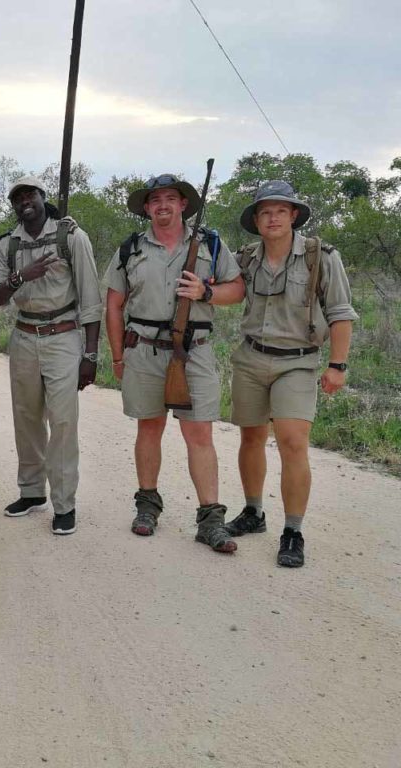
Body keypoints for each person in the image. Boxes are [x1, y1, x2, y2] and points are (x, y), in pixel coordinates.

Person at [103, 173, 245, 553]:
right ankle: (147, 506)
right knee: (149, 429)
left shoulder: (211, 244)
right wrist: (118, 356)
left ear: (183, 205)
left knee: (199, 435)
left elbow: (237, 289)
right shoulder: (130, 248)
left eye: (170, 198)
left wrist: (206, 291)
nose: (162, 205)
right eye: (155, 200)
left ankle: (211, 520)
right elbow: (114, 305)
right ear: (147, 208)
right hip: (144, 349)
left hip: (194, 350)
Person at [224, 181, 357, 567]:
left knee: (292, 442)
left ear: (294, 215)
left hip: (297, 361)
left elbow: (340, 313)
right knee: (250, 437)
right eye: (265, 211)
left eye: (281, 210)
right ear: (256, 219)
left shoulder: (321, 256)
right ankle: (253, 513)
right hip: (251, 358)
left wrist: (337, 365)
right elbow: (226, 290)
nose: (273, 218)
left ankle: (293, 531)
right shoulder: (246, 258)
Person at [0, 176, 102, 535]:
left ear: (42, 197)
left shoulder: (71, 237)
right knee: (26, 418)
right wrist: (22, 277)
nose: (25, 202)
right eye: (17, 198)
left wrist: (91, 355)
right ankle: (32, 492)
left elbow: (91, 298)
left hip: (63, 336)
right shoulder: (9, 245)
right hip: (24, 335)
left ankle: (64, 504)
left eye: (30, 194)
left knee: (63, 422)